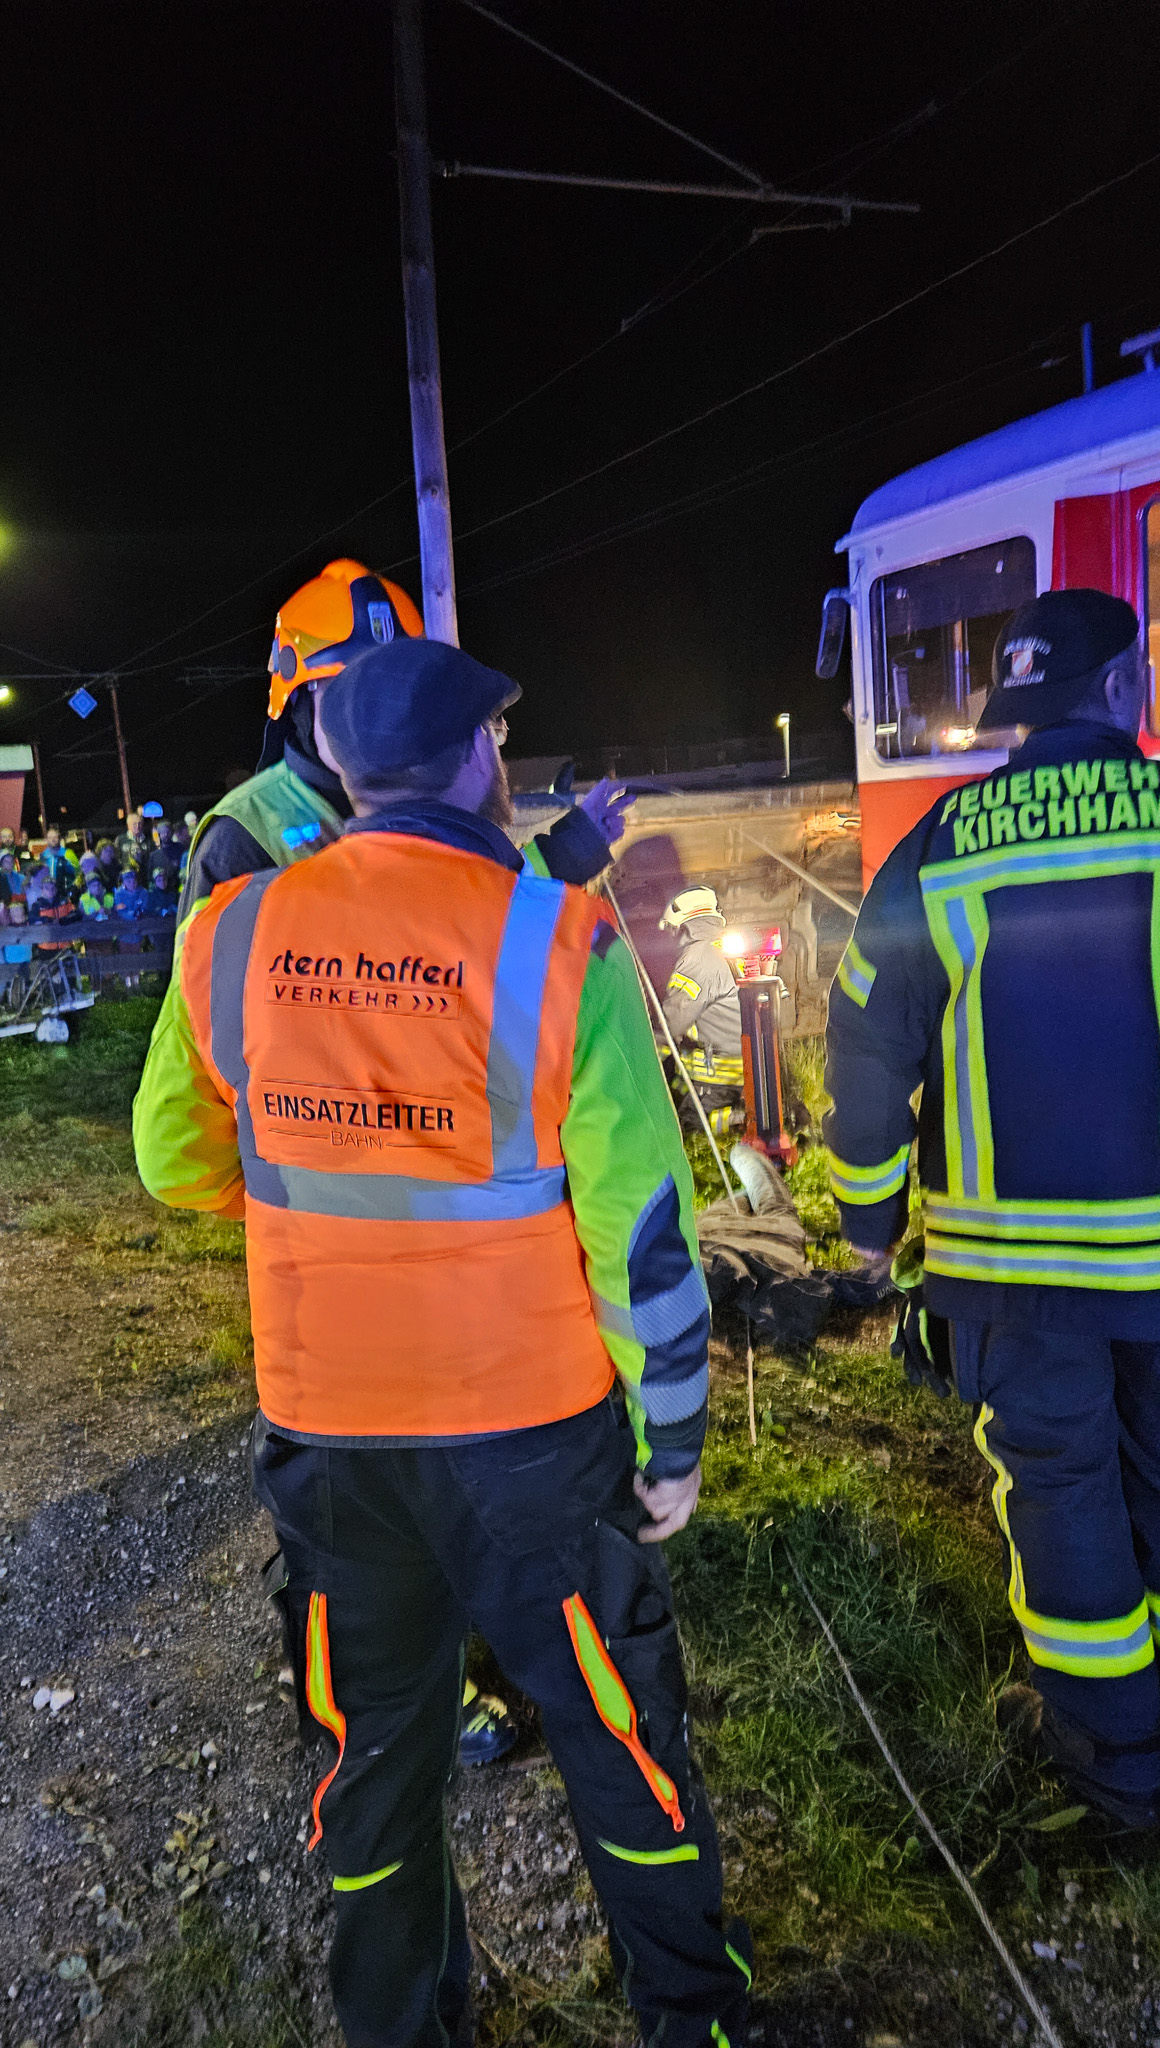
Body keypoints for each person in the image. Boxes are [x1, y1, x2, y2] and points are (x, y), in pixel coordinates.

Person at [134, 637, 750, 2047]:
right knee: (619, 1742)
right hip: (534, 1442)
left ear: (339, 768)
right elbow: (644, 1240)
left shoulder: (227, 934)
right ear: (483, 762)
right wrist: (672, 1444)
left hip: (335, 1448)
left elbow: (174, 1161)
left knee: (378, 1758)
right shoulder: (554, 941)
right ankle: (696, 2020)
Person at [825, 589, 1160, 1831]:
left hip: (1015, 1267)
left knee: (1062, 1491)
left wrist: (869, 1223)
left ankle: (1114, 1764)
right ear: (1122, 690)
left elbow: (869, 1040)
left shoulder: (945, 841)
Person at [179, 558, 630, 923]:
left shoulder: (433, 790)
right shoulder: (243, 836)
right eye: (348, 689)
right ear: (296, 699)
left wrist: (570, 850)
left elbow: (482, 906)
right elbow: (203, 1015)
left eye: (392, 689)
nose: (374, 710)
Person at [659, 888, 745, 1138]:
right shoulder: (720, 950)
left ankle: (738, 1121)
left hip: (715, 1080)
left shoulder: (699, 957)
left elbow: (672, 1021)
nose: (672, 939)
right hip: (735, 1074)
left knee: (683, 1130)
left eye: (673, 931)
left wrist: (642, 1057)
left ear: (685, 927)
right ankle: (738, 1118)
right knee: (674, 1090)